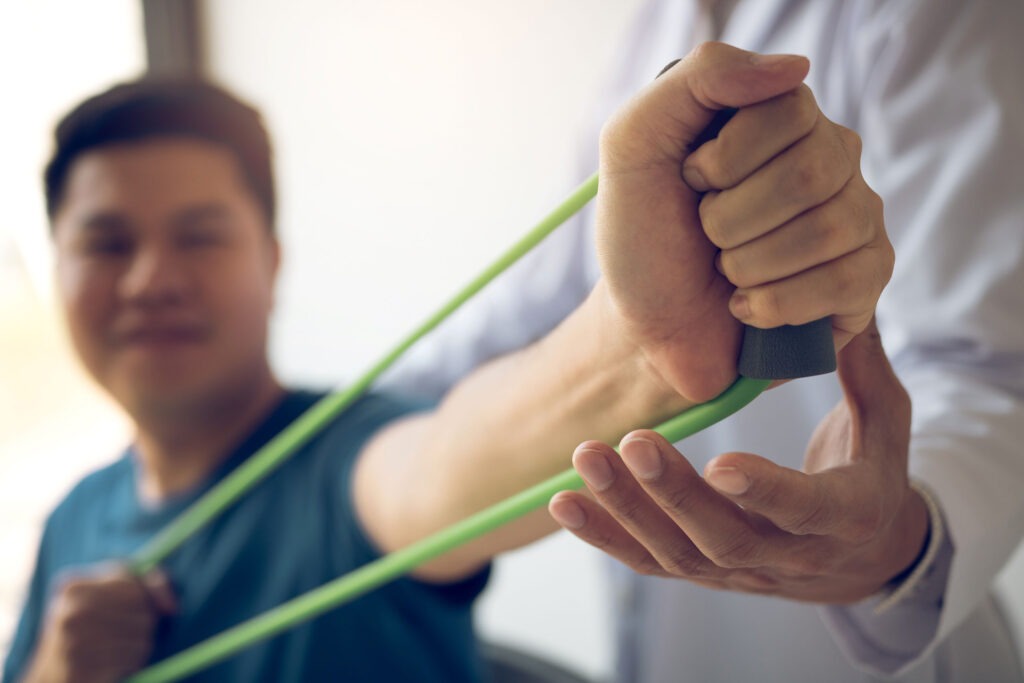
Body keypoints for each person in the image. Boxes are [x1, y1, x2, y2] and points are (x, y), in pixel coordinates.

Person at [2, 44, 893, 682]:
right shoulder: (72, 522)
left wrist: (640, 346)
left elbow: (444, 466)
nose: (153, 277)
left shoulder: (346, 459)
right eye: (108, 241)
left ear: (272, 260)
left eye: (200, 235)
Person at [382, 1, 1024, 681]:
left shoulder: (931, 15)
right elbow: (545, 297)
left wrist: (902, 534)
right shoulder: (654, 23)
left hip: (871, 639)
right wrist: (344, 446)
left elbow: (987, 361)